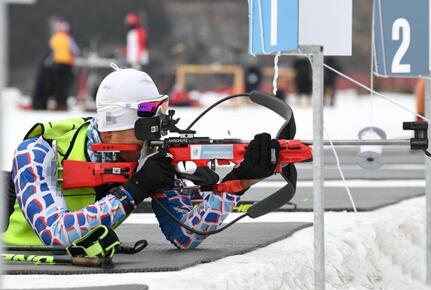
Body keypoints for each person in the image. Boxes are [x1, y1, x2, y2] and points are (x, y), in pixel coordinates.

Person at [3, 67, 279, 249]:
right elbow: (56, 233)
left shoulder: (148, 156)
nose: (149, 143)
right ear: (111, 131)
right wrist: (132, 192)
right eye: (142, 131)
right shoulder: (39, 151)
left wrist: (236, 183)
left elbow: (186, 234)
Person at [48, 19, 79, 110]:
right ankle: (63, 104)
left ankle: (57, 103)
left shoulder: (54, 38)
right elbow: (75, 50)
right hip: (67, 64)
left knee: (57, 85)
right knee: (65, 85)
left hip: (56, 64)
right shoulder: (68, 38)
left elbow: (51, 51)